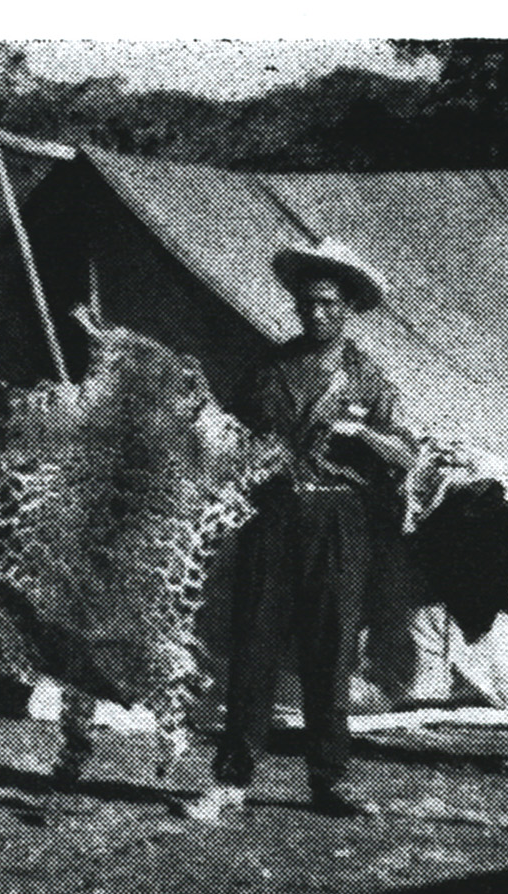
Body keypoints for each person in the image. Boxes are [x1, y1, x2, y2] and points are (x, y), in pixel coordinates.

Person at [190, 239, 414, 822]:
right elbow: (233, 435)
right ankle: (231, 778)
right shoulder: (269, 370)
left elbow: (406, 454)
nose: (316, 314)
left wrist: (362, 435)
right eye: (308, 303)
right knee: (254, 643)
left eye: (329, 304)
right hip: (274, 514)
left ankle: (328, 780)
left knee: (330, 648)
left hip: (339, 519)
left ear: (349, 309)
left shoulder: (368, 378)